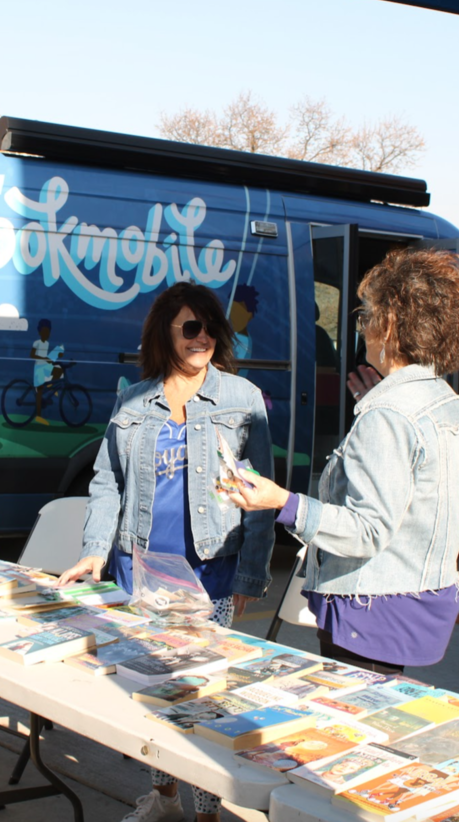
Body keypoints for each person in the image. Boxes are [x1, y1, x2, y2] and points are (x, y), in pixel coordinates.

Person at [57, 281, 275, 822]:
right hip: (142, 567)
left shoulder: (243, 399)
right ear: (166, 333)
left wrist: (251, 572)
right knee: (151, 692)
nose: (201, 337)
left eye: (209, 326)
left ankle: (206, 815)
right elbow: (108, 481)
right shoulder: (133, 399)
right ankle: (165, 797)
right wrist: (95, 550)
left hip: (212, 571)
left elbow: (263, 493)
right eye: (189, 327)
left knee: (202, 699)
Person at [225, 247, 459, 674]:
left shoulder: (389, 416)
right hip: (419, 601)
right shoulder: (444, 402)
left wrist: (279, 501)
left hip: (373, 611)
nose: (362, 329)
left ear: (391, 323)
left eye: (366, 317)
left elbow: (366, 530)